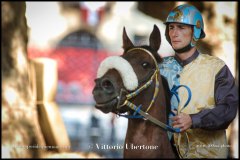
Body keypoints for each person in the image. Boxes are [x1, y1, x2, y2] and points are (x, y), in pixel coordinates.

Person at [159, 4, 238, 158]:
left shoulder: (216, 67)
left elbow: (229, 109)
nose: (174, 33)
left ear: (195, 31)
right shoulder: (159, 67)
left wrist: (194, 120)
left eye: (181, 27)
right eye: (171, 27)